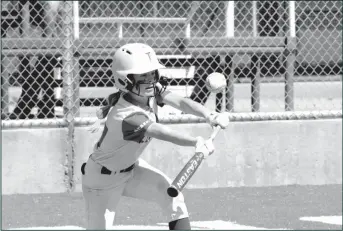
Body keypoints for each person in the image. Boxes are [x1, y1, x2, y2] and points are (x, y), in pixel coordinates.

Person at [81, 43, 230, 230]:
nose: (150, 79)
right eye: (143, 75)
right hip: (101, 181)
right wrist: (195, 141)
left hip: (132, 170)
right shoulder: (125, 114)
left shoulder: (150, 92)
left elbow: (181, 102)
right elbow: (158, 131)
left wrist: (210, 115)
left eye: (152, 73)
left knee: (172, 198)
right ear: (124, 80)